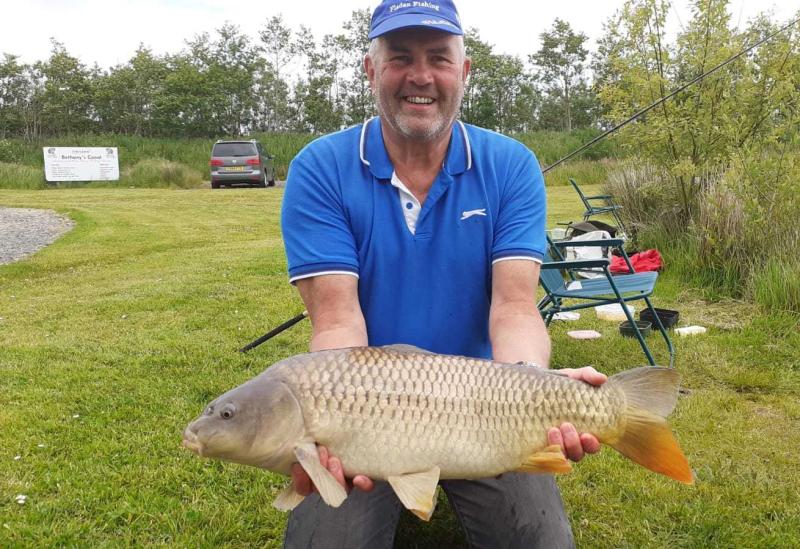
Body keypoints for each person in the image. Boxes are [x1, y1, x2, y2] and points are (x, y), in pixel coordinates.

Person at [280, 1, 606, 546]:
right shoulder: (321, 167)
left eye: (439, 57)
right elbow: (337, 322)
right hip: (365, 410)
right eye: (400, 57)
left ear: (465, 69)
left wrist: (534, 384)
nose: (421, 76)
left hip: (487, 403)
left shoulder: (511, 164)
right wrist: (327, 427)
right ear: (370, 69)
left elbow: (515, 306)